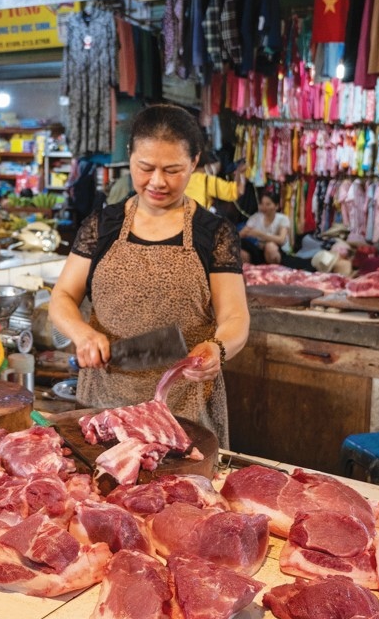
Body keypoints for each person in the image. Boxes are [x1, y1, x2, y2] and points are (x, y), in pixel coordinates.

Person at [48, 103, 249, 444]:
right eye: (145, 168)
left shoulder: (214, 232)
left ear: (195, 163)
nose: (157, 182)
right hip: (103, 404)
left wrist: (217, 347)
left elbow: (235, 315)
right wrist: (81, 333)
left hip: (184, 407)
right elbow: (63, 297)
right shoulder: (102, 225)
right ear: (130, 158)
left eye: (172, 170)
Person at [240, 189, 292, 265]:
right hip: (259, 250)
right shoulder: (256, 217)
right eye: (262, 204)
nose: (264, 207)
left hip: (277, 251)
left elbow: (281, 240)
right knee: (240, 251)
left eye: (268, 204)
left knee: (270, 246)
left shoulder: (282, 219)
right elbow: (241, 234)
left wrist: (260, 234)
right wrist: (244, 233)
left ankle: (273, 271)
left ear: (276, 206)